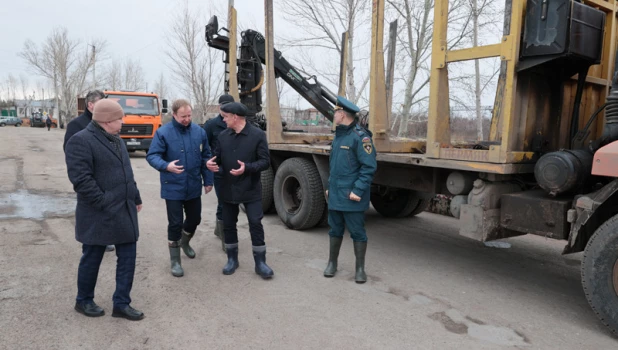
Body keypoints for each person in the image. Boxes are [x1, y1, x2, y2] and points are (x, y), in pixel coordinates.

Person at [65, 99, 144, 321]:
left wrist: (135, 196)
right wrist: (104, 201)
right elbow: (81, 180)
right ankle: (83, 300)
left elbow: (127, 172)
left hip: (125, 210)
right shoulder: (80, 141)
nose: (123, 121)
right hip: (98, 214)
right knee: (92, 257)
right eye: (120, 118)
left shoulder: (117, 140)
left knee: (128, 257)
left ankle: (121, 303)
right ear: (107, 121)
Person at [146, 99, 213, 277]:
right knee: (175, 223)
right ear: (174, 114)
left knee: (195, 219)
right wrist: (166, 166)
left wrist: (208, 180)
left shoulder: (199, 132)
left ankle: (184, 242)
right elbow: (152, 155)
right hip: (173, 186)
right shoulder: (163, 133)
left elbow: (207, 157)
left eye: (189, 115)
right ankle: (175, 260)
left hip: (192, 185)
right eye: (183, 116)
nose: (187, 119)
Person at [206, 102, 273, 279]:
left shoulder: (257, 135)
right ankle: (232, 260)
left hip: (250, 188)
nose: (223, 119)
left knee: (255, 223)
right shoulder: (222, 136)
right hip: (228, 187)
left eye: (226, 116)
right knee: (228, 224)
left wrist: (247, 168)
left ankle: (260, 263)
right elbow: (217, 158)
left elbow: (265, 162)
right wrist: (211, 164)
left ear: (235, 117)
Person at [323, 96, 377, 284]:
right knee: (334, 229)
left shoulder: (361, 137)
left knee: (357, 232)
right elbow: (335, 167)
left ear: (343, 114)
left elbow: (369, 167)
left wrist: (358, 190)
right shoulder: (339, 136)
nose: (334, 115)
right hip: (336, 194)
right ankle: (332, 263)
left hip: (352, 196)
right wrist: (330, 188)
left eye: (336, 112)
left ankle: (360, 269)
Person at [63, 90, 115, 253]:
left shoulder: (106, 123)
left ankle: (106, 237)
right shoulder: (76, 125)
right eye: (101, 103)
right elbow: (70, 152)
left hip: (108, 175)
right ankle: (91, 240)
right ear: (91, 105)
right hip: (89, 176)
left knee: (109, 207)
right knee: (91, 210)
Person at [203, 94, 235, 251]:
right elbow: (205, 149)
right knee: (223, 202)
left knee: (231, 201)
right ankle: (224, 236)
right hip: (219, 170)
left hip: (235, 170)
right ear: (219, 107)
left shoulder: (235, 123)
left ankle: (219, 228)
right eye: (224, 106)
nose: (226, 109)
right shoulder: (211, 125)